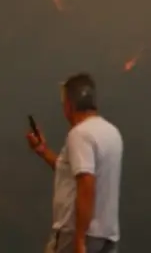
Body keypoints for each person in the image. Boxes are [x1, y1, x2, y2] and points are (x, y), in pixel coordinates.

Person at [26, 72, 123, 253]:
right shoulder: (112, 133)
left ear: (69, 106)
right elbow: (72, 173)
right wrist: (43, 151)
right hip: (107, 235)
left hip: (76, 233)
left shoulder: (79, 135)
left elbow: (86, 183)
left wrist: (79, 240)